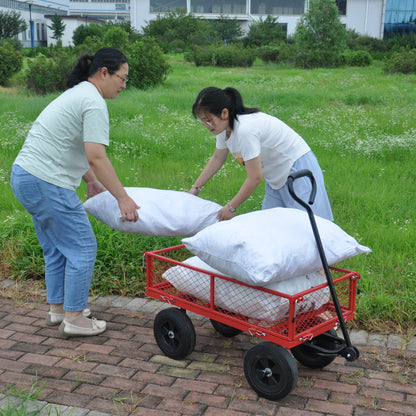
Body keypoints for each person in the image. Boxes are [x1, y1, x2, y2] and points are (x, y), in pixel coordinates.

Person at [10, 47, 139, 337]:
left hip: (25, 177)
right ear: (104, 72)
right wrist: (123, 197)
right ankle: (75, 319)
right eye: (122, 77)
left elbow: (71, 146)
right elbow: (95, 155)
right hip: (47, 182)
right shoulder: (93, 102)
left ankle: (59, 310)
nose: (124, 84)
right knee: (83, 247)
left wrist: (92, 182)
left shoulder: (77, 93)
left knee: (57, 249)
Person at [189, 86, 333, 222]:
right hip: (275, 177)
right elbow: (217, 159)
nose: (207, 125)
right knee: (270, 228)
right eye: (203, 121)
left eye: (209, 120)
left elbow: (255, 177)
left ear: (224, 113)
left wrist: (231, 207)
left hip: (297, 169)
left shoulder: (245, 130)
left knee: (311, 227)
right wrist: (194, 191)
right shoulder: (224, 129)